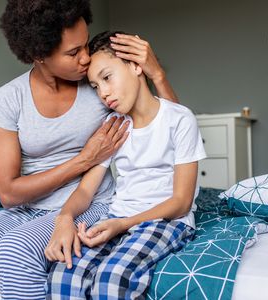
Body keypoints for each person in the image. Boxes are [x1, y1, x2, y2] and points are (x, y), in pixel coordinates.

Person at [0, 1, 178, 300]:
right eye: (72, 52)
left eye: (85, 46)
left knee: (16, 251)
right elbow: (9, 193)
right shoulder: (8, 99)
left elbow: (170, 128)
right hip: (23, 209)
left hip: (90, 203)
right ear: (38, 54)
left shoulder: (98, 87)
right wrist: (84, 159)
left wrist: (157, 75)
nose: (85, 58)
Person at [45, 31, 207, 300]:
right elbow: (86, 190)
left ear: (136, 66)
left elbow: (181, 202)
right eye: (96, 87)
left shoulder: (179, 119)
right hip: (117, 217)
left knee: (111, 279)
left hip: (166, 221)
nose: (103, 93)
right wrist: (65, 219)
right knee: (63, 275)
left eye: (107, 78)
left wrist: (123, 224)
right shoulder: (114, 127)